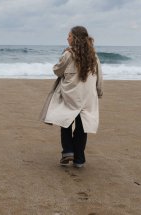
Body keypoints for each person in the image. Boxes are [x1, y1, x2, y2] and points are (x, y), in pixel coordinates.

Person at [40, 26, 103, 168]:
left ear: (75, 38)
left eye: (69, 35)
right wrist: (98, 91)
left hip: (71, 94)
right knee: (82, 127)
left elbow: (57, 70)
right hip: (88, 96)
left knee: (65, 122)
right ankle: (79, 159)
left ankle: (68, 151)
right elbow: (99, 75)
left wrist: (63, 55)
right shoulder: (94, 55)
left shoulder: (68, 54)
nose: (67, 38)